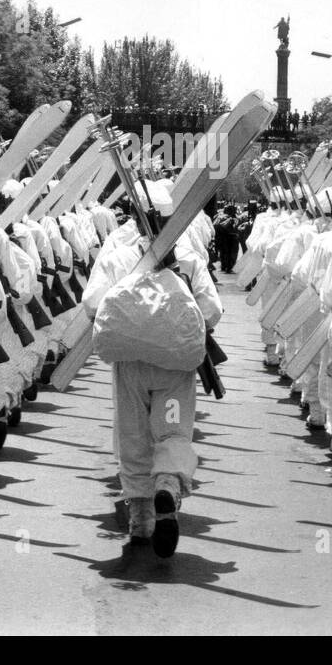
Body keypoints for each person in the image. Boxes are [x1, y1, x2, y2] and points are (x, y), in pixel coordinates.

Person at [84, 179, 222, 557]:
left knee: (132, 437)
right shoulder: (189, 260)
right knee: (173, 432)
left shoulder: (115, 258)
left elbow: (92, 303)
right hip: (174, 370)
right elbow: (212, 311)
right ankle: (167, 487)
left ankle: (141, 521)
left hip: (130, 368)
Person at [213, 203, 241, 273]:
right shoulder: (235, 218)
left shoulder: (221, 217)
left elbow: (215, 225)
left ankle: (224, 266)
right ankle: (229, 267)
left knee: (224, 252)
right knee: (232, 253)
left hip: (224, 237)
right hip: (232, 237)